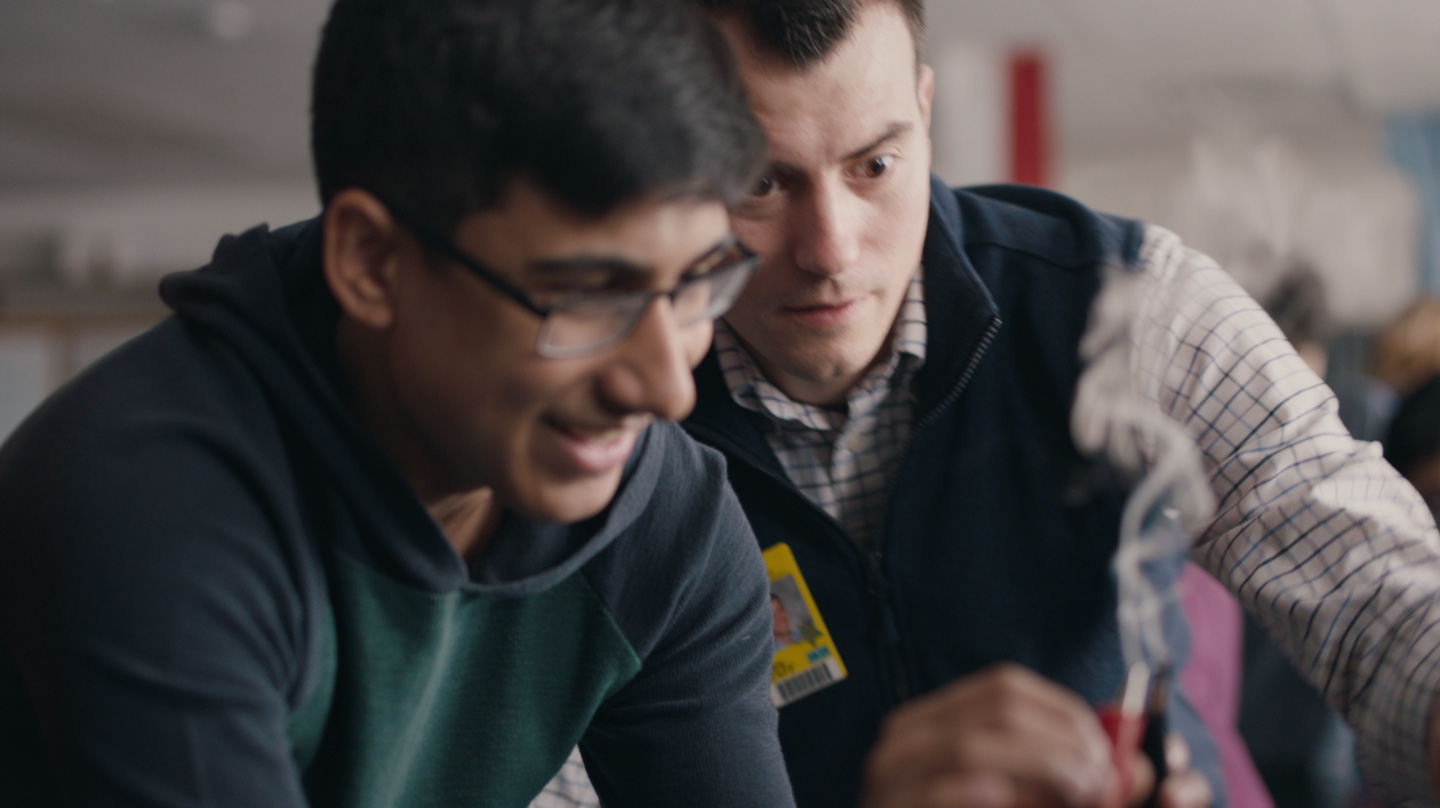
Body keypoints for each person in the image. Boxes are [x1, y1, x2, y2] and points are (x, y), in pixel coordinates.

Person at [0, 0, 799, 805]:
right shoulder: (148, 503)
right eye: (588, 297)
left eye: (697, 285)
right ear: (372, 261)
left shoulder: (670, 525)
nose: (667, 389)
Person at [675, 1, 1440, 807]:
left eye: (876, 166)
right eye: (760, 183)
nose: (831, 248)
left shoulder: (1124, 298)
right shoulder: (624, 410)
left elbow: (1375, 581)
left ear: (924, 110)